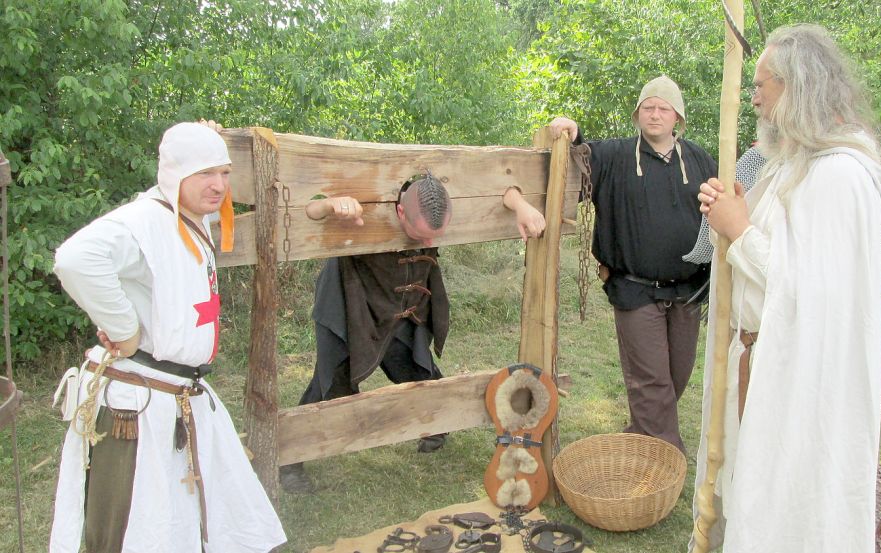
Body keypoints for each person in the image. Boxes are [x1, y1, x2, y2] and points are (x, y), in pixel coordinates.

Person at [691, 24, 881, 552]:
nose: (754, 96)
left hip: (802, 378)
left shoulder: (842, 175)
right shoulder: (794, 164)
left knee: (790, 510)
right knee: (748, 497)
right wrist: (736, 209)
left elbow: (815, 294)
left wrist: (738, 228)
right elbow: (776, 251)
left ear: (800, 86)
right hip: (759, 365)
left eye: (764, 84)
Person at [50, 122, 287, 553]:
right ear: (175, 176)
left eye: (225, 172)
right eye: (204, 174)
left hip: (181, 393)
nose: (219, 186)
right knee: (135, 528)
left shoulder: (189, 215)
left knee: (194, 520)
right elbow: (75, 259)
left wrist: (207, 135)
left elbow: (201, 192)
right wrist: (124, 330)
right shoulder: (144, 221)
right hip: (139, 405)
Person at [279, 173, 546, 493]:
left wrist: (520, 206)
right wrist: (327, 205)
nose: (429, 244)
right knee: (330, 381)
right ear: (400, 212)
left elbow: (501, 186)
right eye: (421, 237)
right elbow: (308, 212)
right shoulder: (365, 205)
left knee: (417, 368)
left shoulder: (439, 203)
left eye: (435, 238)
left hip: (405, 303)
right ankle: (288, 458)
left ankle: (435, 426)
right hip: (353, 302)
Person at [548, 76, 718, 454]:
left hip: (688, 290)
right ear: (638, 114)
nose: (654, 115)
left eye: (663, 109)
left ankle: (641, 439)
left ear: (678, 118)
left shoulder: (700, 159)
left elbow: (722, 209)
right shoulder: (617, 155)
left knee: (675, 377)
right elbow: (583, 158)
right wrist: (574, 133)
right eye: (648, 108)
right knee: (652, 381)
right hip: (636, 289)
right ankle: (665, 456)